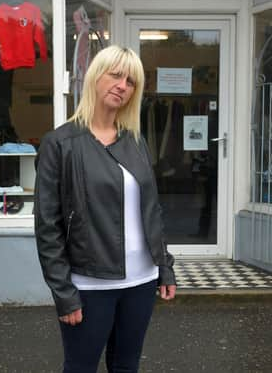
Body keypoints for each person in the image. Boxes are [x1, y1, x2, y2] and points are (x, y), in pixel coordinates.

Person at [34, 45, 176, 373]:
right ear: (95, 77)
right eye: (115, 75)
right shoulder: (60, 143)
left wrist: (164, 267)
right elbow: (48, 227)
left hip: (141, 282)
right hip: (89, 285)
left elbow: (151, 210)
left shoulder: (135, 140)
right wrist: (64, 293)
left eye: (130, 81)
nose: (122, 85)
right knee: (81, 367)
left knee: (126, 366)